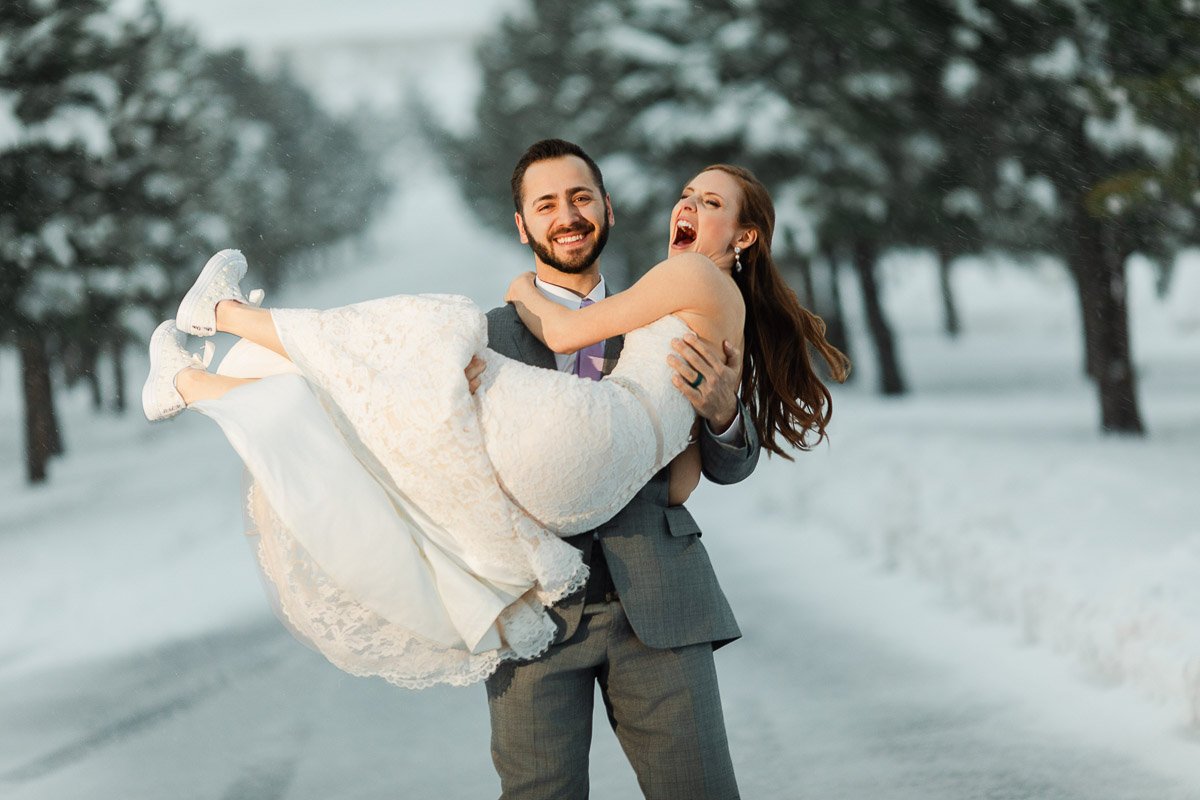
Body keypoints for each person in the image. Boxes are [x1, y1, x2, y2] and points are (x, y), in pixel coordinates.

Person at [141, 140, 847, 797]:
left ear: (608, 209)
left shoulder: (662, 307)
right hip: (534, 618)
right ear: (522, 225)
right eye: (547, 205)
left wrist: (724, 413)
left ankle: (214, 337)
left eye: (581, 198)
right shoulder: (491, 335)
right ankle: (203, 362)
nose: (568, 216)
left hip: (660, 610)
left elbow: (703, 473)